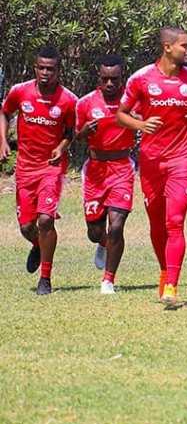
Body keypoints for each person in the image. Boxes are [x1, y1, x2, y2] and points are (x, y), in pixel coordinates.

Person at [117, 27, 187, 306]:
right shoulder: (141, 78)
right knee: (157, 223)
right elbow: (121, 114)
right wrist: (141, 124)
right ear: (167, 47)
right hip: (152, 160)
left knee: (175, 221)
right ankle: (164, 271)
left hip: (182, 158)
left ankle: (171, 286)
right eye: (184, 46)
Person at [0, 46, 77, 295]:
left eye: (50, 69)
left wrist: (61, 147)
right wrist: (3, 141)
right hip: (25, 168)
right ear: (35, 68)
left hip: (51, 168)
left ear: (58, 71)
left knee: (45, 219)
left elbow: (71, 132)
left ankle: (45, 278)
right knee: (26, 227)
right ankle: (37, 244)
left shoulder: (68, 100)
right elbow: (4, 112)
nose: (45, 73)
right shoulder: (20, 91)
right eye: (41, 68)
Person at [75, 55, 135, 294]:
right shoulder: (85, 103)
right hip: (95, 171)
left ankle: (108, 280)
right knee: (95, 232)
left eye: (115, 79)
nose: (110, 84)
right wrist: (84, 131)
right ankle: (103, 243)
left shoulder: (131, 103)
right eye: (105, 79)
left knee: (117, 225)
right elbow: (76, 137)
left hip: (122, 169)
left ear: (122, 78)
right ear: (98, 78)